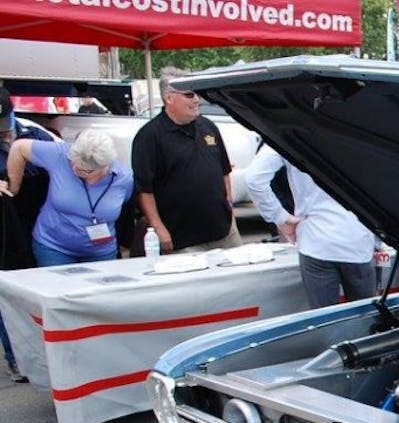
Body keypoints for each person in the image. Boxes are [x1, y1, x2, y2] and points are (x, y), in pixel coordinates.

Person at [244, 145, 378, 309]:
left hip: (316, 241)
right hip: (358, 238)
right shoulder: (359, 129)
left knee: (324, 321)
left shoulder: (289, 129)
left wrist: (280, 217)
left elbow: (253, 178)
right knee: (367, 318)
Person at [131, 66, 241, 255]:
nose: (197, 99)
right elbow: (144, 190)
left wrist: (228, 203)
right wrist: (158, 227)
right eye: (189, 95)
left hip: (224, 232)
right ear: (169, 98)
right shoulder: (149, 136)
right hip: (182, 239)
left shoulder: (208, 127)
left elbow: (224, 170)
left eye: (197, 93)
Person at [2, 129, 133, 266]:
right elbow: (19, 147)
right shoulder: (60, 154)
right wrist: (13, 188)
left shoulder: (123, 177)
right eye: (73, 162)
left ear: (105, 166)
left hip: (101, 250)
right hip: (54, 246)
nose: (76, 168)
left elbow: (126, 208)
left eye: (84, 170)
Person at [0, 87, 55, 382]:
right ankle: (16, 358)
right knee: (9, 295)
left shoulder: (35, 133)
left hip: (39, 221)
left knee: (40, 290)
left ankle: (46, 354)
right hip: (6, 228)